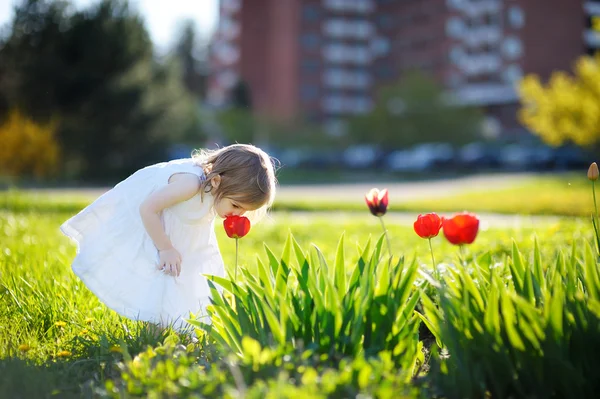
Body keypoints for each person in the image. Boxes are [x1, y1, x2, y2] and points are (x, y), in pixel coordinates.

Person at [60, 144, 277, 332]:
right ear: (218, 181)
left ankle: (179, 326)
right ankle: (153, 334)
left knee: (186, 274)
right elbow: (147, 209)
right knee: (160, 275)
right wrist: (165, 247)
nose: (237, 214)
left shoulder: (216, 188)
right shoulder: (190, 185)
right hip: (150, 220)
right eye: (236, 206)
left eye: (244, 211)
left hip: (180, 227)